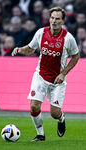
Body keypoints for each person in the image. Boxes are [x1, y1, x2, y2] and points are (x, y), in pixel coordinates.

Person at [12, 7, 79, 141]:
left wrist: (63, 74)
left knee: (54, 113)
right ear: (49, 19)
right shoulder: (41, 33)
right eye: (52, 18)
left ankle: (61, 119)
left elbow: (76, 57)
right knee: (34, 105)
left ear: (63, 21)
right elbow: (31, 49)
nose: (54, 21)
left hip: (57, 80)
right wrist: (20, 49)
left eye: (57, 19)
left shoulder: (68, 38)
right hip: (41, 76)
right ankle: (40, 134)